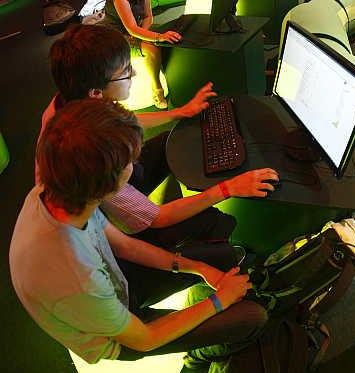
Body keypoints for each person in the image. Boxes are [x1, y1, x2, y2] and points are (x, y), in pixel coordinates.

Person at [11, 98, 273, 366]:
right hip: (121, 336)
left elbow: (123, 245)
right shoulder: (78, 277)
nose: (134, 167)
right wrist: (220, 301)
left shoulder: (54, 194)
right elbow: (145, 338)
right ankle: (197, 358)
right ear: (107, 188)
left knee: (222, 256)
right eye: (129, 164)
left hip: (116, 279)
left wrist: (195, 267)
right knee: (253, 317)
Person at [37, 24, 280, 253]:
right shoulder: (92, 156)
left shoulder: (71, 104)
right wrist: (227, 189)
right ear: (96, 93)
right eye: (125, 72)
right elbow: (157, 218)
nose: (133, 73)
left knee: (168, 141)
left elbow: (121, 118)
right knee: (216, 222)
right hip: (110, 228)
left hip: (110, 186)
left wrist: (179, 112)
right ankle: (229, 258)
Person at [102, 0, 181, 109]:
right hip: (115, 38)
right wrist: (155, 37)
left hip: (133, 32)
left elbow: (148, 17)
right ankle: (157, 88)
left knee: (171, 36)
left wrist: (143, 35)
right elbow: (130, 27)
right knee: (153, 48)